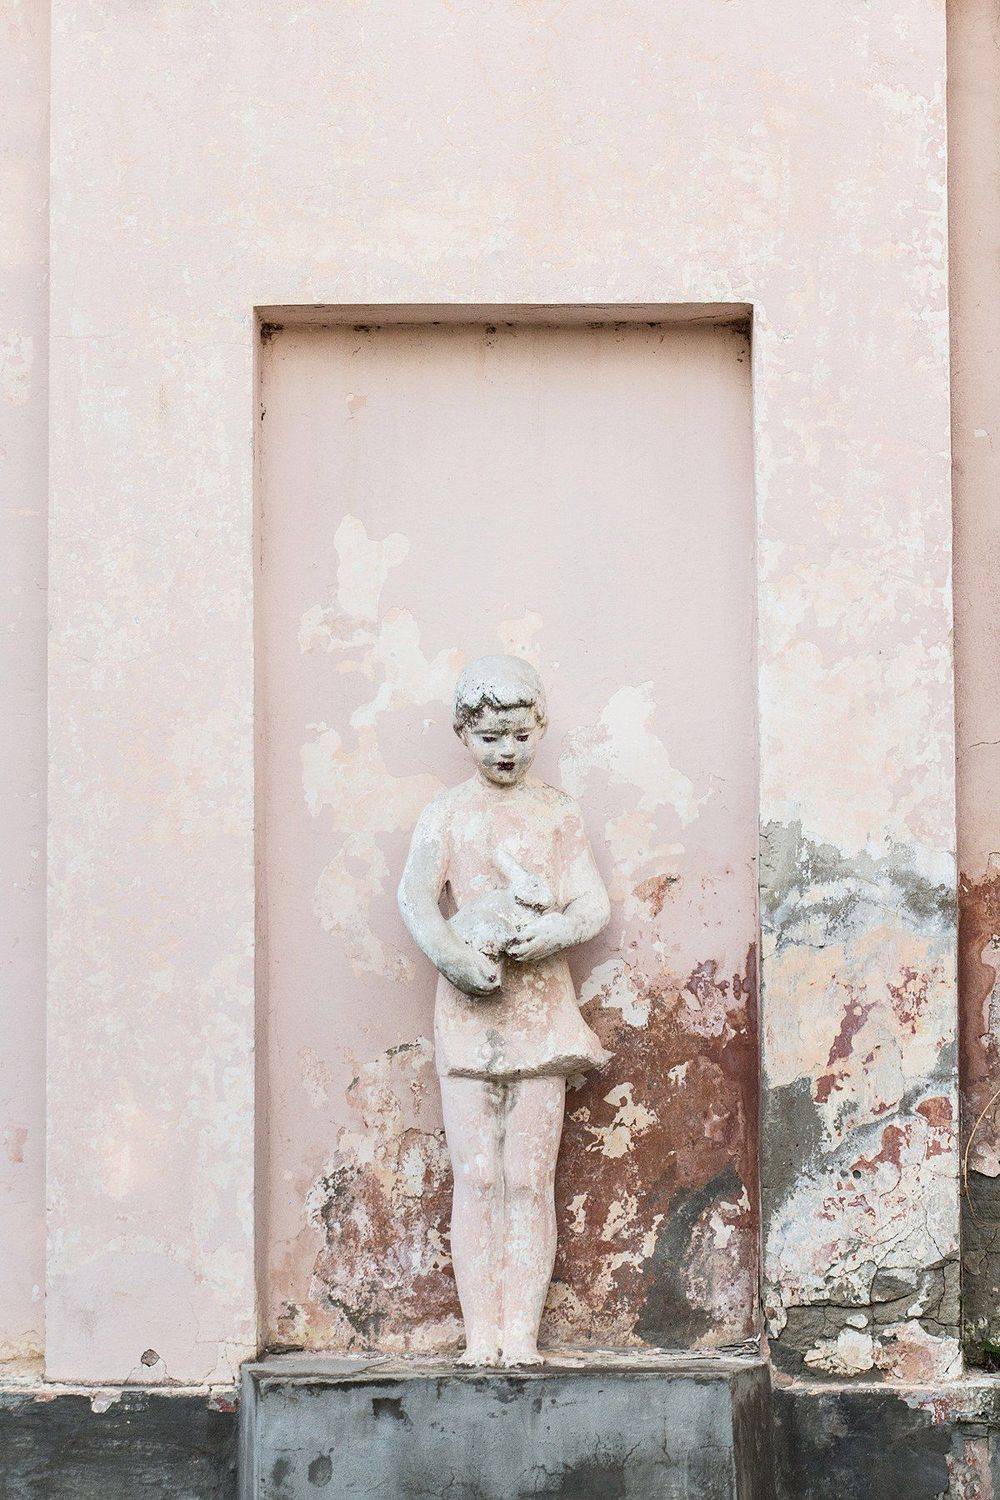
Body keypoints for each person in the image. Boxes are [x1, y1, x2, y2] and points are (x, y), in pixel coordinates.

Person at [398, 655, 611, 1366]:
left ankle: (518, 1333)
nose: (506, 750)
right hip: (470, 1008)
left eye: (519, 735)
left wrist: (554, 932)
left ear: (539, 729)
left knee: (527, 1178)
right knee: (478, 1177)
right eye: (491, 737)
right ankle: (479, 1333)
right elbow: (416, 899)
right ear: (465, 734)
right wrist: (455, 959)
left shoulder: (556, 812)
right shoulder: (448, 813)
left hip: (540, 1010)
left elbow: (592, 903)